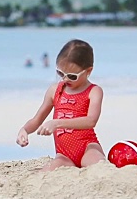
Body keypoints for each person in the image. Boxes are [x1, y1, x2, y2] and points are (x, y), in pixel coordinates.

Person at [16, 39, 106, 171]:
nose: (65, 79)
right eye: (60, 73)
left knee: (99, 167)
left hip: (88, 147)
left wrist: (57, 123)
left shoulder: (94, 91)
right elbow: (37, 119)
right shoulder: (55, 91)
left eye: (72, 76)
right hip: (64, 155)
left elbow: (91, 120)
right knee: (45, 173)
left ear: (88, 71)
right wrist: (24, 130)